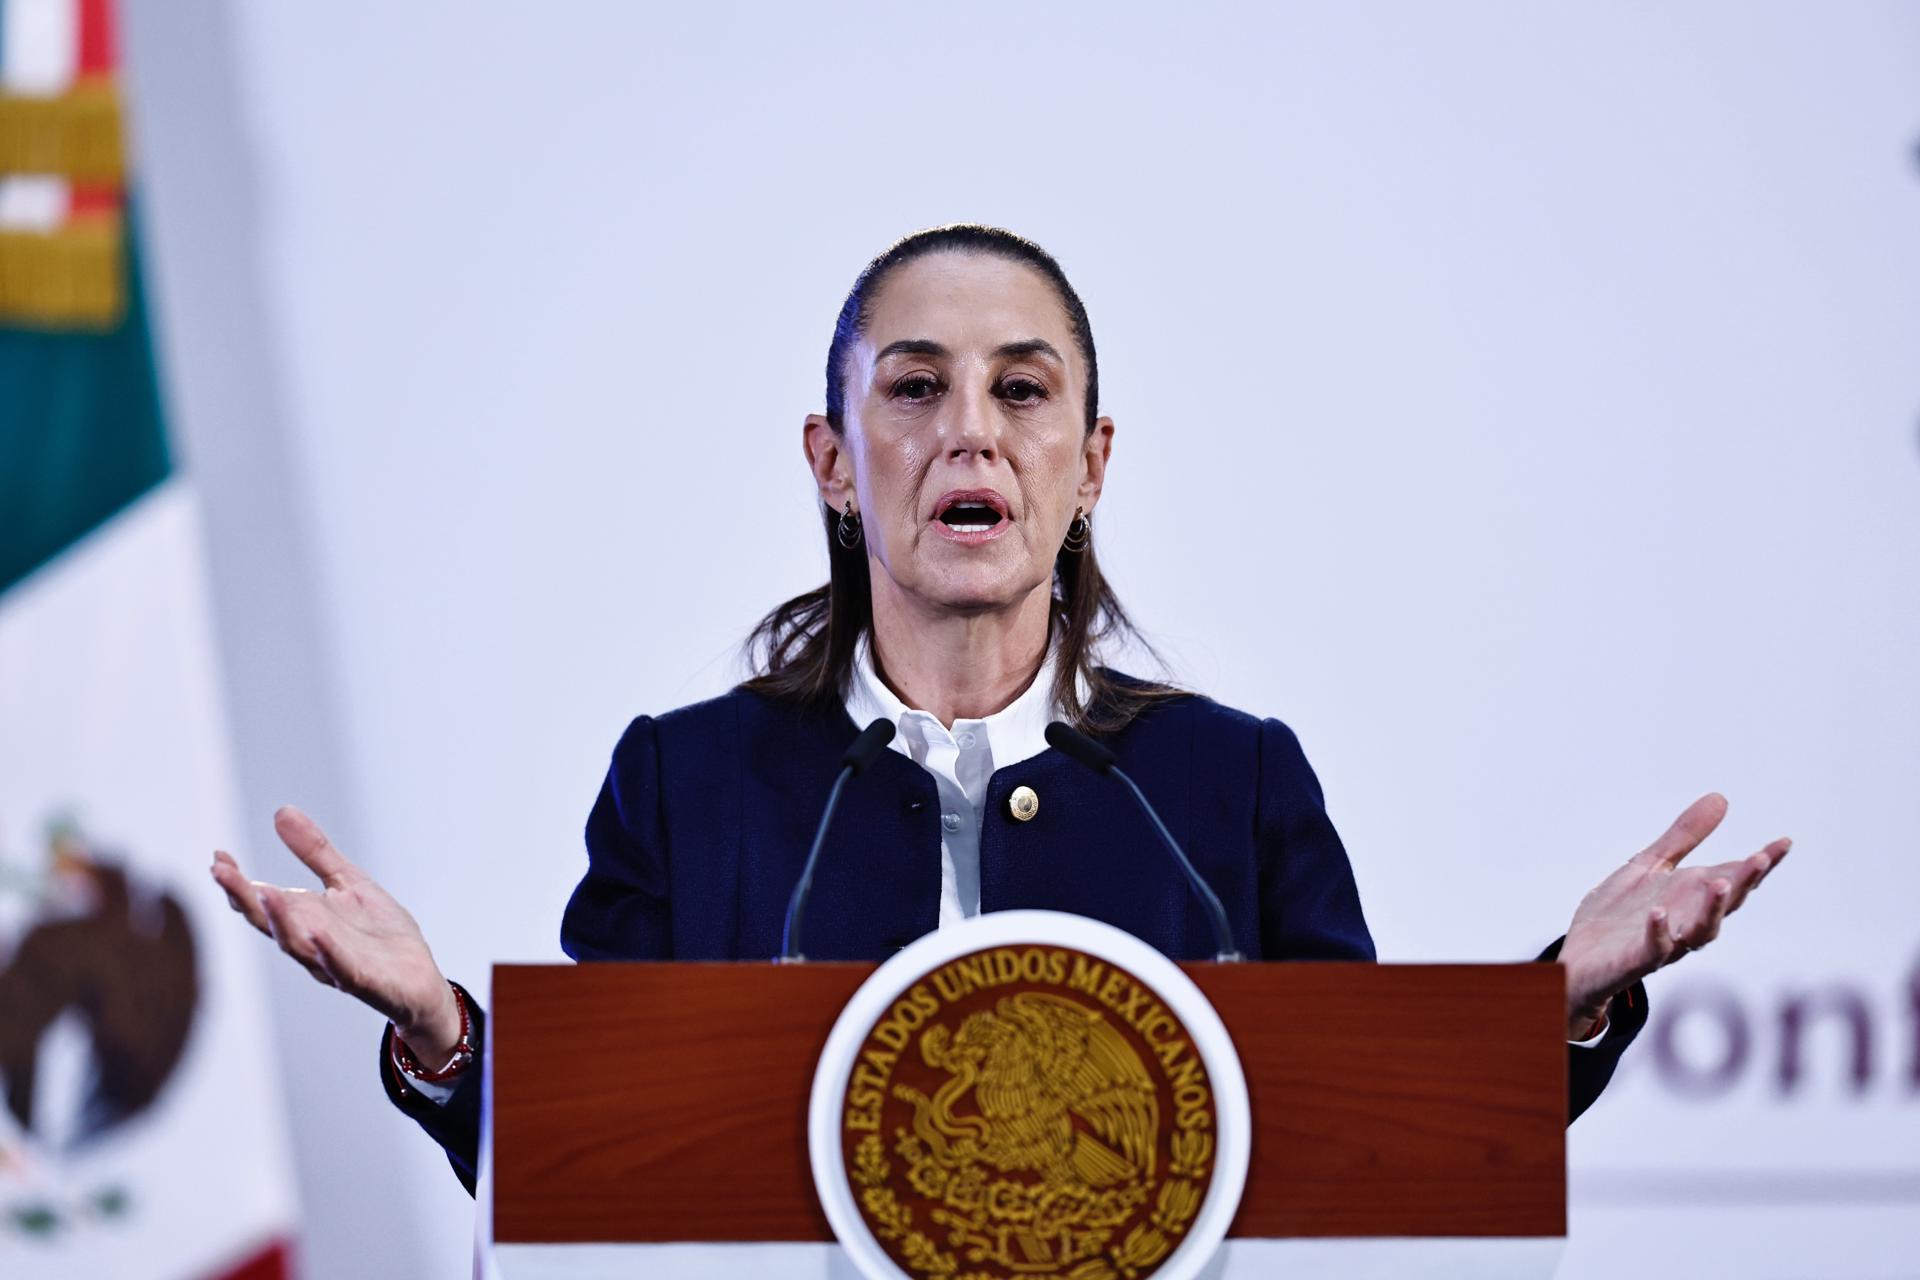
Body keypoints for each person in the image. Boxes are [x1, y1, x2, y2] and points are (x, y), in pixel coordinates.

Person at [209, 225, 1792, 1196]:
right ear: (836, 462)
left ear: (1090, 463)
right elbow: (592, 1162)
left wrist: (1558, 1002)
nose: (970, 430)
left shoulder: (1231, 783)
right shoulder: (688, 782)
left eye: (1023, 392)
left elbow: (1352, 1155)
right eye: (912, 389)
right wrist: (441, 1034)